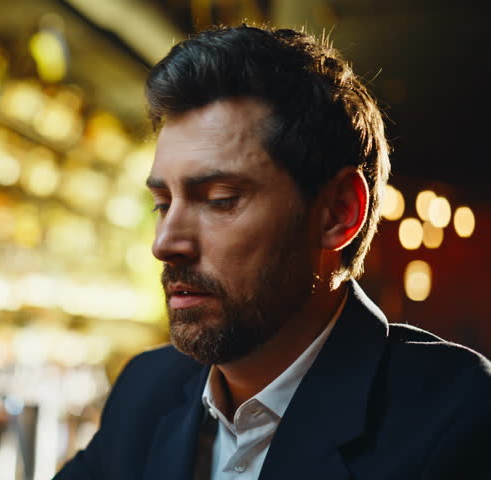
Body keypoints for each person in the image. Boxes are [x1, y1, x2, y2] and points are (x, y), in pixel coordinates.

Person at [55, 25, 491, 479]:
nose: (165, 244)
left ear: (338, 213)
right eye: (162, 204)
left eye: (220, 199)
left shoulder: (456, 418)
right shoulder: (145, 390)